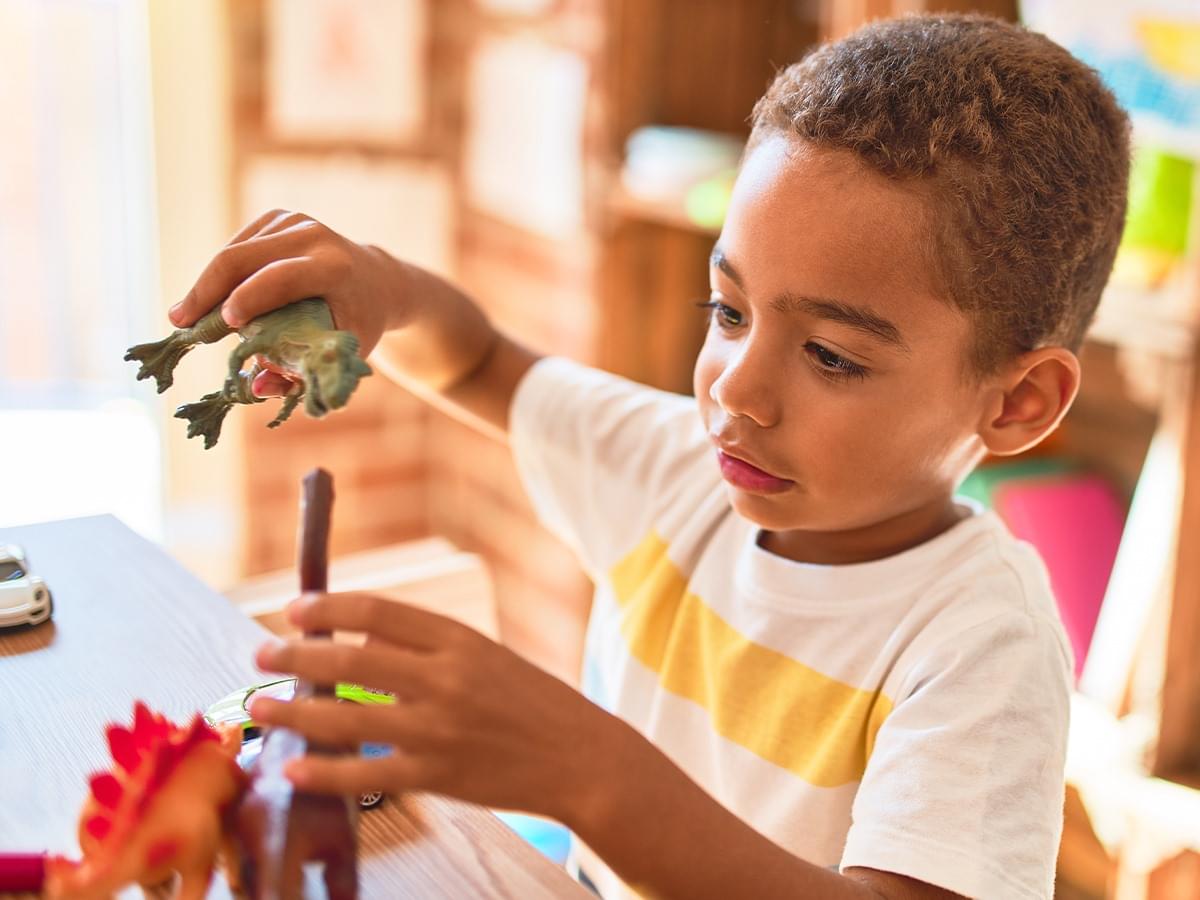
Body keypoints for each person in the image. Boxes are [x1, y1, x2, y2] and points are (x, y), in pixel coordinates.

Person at [169, 13, 1129, 899]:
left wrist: (591, 776)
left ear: (1017, 404)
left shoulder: (978, 644)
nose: (734, 391)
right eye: (730, 311)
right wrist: (385, 289)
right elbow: (476, 361)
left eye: (832, 356)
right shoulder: (682, 470)